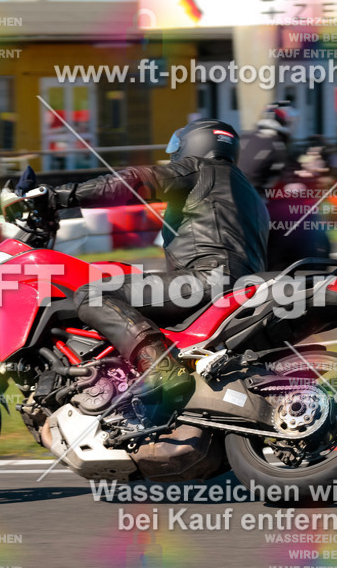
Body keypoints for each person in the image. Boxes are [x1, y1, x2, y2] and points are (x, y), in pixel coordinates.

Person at [53, 119, 270, 412]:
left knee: (93, 295)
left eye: (177, 147)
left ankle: (159, 368)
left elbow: (133, 181)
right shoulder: (250, 194)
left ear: (196, 144)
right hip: (244, 285)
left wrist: (61, 196)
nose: (174, 154)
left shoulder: (198, 169)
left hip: (208, 279)